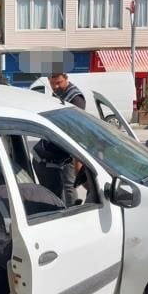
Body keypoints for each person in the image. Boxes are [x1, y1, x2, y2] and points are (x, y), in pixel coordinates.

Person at [48, 72, 86, 205]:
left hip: (72, 144)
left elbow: (75, 125)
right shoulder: (59, 92)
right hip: (62, 144)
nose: (55, 86)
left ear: (66, 79)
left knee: (69, 184)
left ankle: (73, 212)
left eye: (59, 82)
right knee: (65, 182)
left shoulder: (76, 99)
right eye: (52, 83)